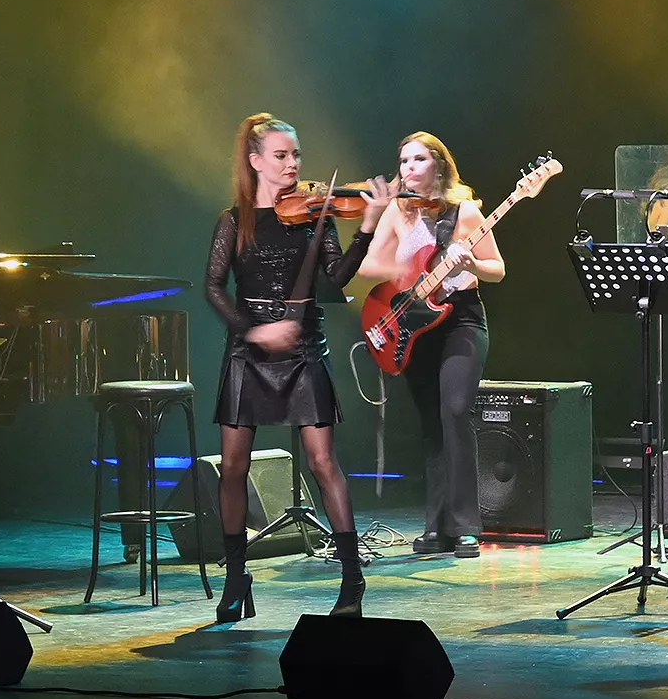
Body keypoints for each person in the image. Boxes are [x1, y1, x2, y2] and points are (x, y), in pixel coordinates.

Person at [203, 113, 393, 622]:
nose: (293, 165)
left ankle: (352, 577)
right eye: (282, 156)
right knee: (234, 468)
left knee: (322, 461)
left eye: (297, 156)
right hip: (249, 349)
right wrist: (253, 329)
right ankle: (236, 577)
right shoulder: (232, 220)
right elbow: (213, 287)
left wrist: (367, 228)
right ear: (256, 161)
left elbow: (337, 276)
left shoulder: (316, 215)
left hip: (304, 347)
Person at [354, 133, 504, 558]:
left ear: (439, 164)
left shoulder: (466, 211)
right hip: (415, 322)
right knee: (431, 424)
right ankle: (436, 527)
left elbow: (498, 270)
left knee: (455, 411)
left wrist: (471, 262)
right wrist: (405, 271)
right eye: (403, 161)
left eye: (418, 159)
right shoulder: (397, 213)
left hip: (461, 319)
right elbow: (368, 266)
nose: (408, 168)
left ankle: (465, 525)